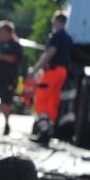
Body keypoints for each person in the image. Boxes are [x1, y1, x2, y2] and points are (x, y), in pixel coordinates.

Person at [27, 11, 73, 139]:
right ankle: (50, 127)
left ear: (57, 21)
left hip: (52, 72)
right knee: (53, 100)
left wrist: (35, 69)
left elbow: (49, 54)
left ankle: (44, 129)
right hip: (62, 72)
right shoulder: (68, 38)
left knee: (41, 99)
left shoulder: (57, 36)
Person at [0, 21, 22, 136]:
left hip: (8, 78)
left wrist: (1, 57)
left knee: (6, 103)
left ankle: (5, 123)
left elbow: (14, 58)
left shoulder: (14, 44)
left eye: (2, 32)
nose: (0, 34)